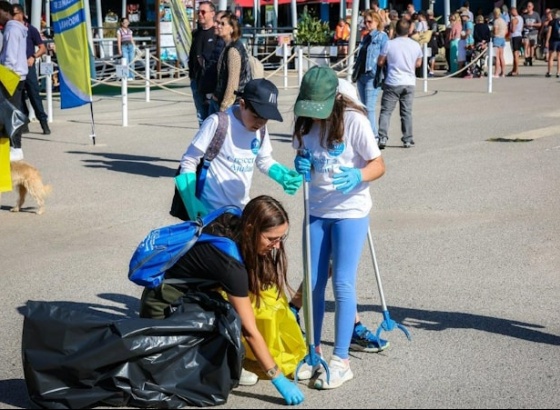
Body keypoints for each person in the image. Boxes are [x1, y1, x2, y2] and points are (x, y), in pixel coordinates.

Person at [140, 195, 304, 405]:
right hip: (162, 306)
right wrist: (277, 377)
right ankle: (222, 362)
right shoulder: (230, 266)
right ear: (250, 229)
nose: (277, 246)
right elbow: (249, 330)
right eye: (272, 238)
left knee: (231, 308)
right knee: (228, 321)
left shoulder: (233, 218)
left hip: (184, 294)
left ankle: (220, 356)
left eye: (281, 238)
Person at [291, 66, 386, 390]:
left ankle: (341, 360)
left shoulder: (354, 121)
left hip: (351, 211)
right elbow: (304, 154)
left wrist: (359, 175)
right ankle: (313, 352)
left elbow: (378, 164)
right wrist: (300, 164)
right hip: (316, 209)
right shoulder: (303, 121)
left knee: (342, 283)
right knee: (314, 283)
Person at [178, 78, 301, 221]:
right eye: (256, 116)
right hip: (210, 211)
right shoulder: (218, 122)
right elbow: (190, 159)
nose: (260, 123)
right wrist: (189, 199)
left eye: (265, 119)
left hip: (241, 210)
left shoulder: (260, 129)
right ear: (242, 104)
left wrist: (282, 175)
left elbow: (264, 160)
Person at [377, 18, 422, 149]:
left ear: (396, 30)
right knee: (406, 112)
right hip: (409, 82)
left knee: (386, 111)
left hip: (393, 81)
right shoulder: (415, 45)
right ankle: (407, 139)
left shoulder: (389, 44)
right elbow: (418, 63)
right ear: (409, 30)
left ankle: (382, 137)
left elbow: (380, 61)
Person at [12, 4, 50, 135]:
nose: (13, 17)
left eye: (15, 14)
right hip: (15, 68)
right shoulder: (10, 29)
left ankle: (43, 122)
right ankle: (24, 122)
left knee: (34, 95)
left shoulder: (31, 29)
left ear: (21, 14)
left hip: (28, 66)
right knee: (19, 97)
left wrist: (33, 57)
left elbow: (42, 48)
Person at [0, 0, 28, 162]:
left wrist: (4, 72)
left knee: (10, 112)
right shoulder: (18, 29)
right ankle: (15, 146)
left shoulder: (11, 29)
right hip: (18, 76)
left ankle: (15, 147)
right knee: (12, 110)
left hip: (10, 76)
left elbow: (9, 58)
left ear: (5, 11)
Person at [355, 10, 389, 141]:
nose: (367, 24)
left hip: (372, 75)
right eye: (365, 22)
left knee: (369, 107)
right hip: (361, 75)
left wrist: (382, 74)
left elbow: (385, 56)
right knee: (363, 107)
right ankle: (367, 134)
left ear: (377, 21)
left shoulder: (382, 37)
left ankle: (374, 136)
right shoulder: (366, 37)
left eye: (370, 21)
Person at [210, 12, 251, 115]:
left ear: (232, 28)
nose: (218, 26)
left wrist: (224, 106)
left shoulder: (233, 50)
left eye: (223, 24)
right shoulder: (228, 46)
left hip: (231, 104)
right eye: (218, 23)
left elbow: (232, 82)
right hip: (220, 100)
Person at [188, 1, 218, 126]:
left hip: (212, 84)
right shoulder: (196, 33)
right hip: (197, 82)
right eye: (198, 12)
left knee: (214, 119)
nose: (200, 14)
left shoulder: (217, 34)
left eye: (203, 12)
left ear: (212, 14)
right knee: (202, 118)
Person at [522, 2, 541, 67]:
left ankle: (530, 59)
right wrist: (525, 25)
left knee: (532, 46)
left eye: (529, 6)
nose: (528, 7)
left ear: (532, 7)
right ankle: (526, 59)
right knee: (526, 45)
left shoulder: (536, 14)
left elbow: (540, 24)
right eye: (527, 6)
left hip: (533, 32)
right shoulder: (524, 15)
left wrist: (532, 24)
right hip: (526, 32)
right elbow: (522, 24)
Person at [507, 7, 524, 77]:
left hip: (515, 36)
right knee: (516, 53)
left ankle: (516, 70)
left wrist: (509, 26)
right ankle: (514, 69)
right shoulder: (521, 18)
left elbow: (513, 30)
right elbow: (522, 28)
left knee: (515, 54)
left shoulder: (514, 20)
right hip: (519, 35)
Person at [492, 7, 507, 78]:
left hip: (497, 38)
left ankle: (496, 73)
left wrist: (492, 32)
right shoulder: (503, 21)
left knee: (497, 57)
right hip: (503, 38)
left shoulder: (496, 21)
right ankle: (503, 72)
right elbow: (506, 31)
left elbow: (495, 31)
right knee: (501, 56)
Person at [545, 8, 560, 78]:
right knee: (559, 57)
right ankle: (558, 72)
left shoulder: (552, 22)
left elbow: (549, 32)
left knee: (551, 56)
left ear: (553, 14)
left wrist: (547, 41)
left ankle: (549, 72)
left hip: (553, 40)